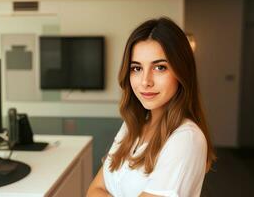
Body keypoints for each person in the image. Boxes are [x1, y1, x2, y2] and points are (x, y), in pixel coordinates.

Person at [87, 17, 216, 197]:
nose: (145, 81)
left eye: (160, 67)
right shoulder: (132, 126)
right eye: (137, 68)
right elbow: (94, 190)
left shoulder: (186, 138)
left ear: (181, 72)